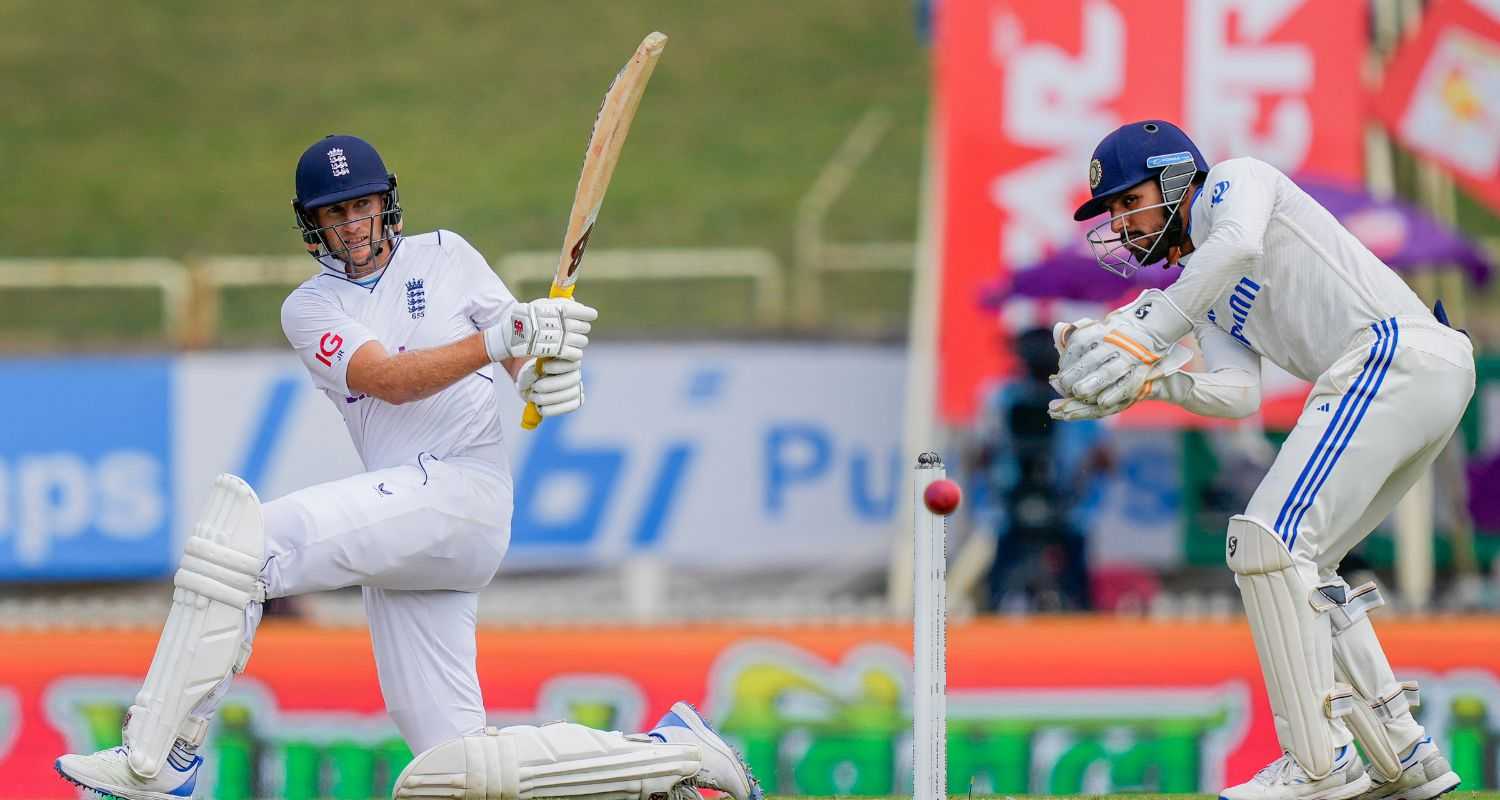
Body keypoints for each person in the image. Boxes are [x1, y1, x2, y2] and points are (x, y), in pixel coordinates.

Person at [55, 135, 760, 800]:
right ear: (312, 226)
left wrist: (544, 371)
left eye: (362, 205)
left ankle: (162, 758)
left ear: (385, 202)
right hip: (413, 538)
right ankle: (677, 752)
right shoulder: (309, 308)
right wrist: (499, 341)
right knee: (454, 769)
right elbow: (388, 378)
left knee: (245, 541)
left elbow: (519, 353)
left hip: (463, 493)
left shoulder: (447, 254)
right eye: (336, 212)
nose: (354, 224)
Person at [1050, 120, 1472, 800]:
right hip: (1418, 374)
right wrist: (1155, 380)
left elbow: (1239, 244)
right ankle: (1406, 755)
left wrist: (1148, 334)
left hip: (1395, 354)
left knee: (1264, 542)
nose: (1122, 226)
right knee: (1306, 562)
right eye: (1113, 214)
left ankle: (1319, 764)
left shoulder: (1236, 183)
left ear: (1175, 177)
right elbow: (1237, 394)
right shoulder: (1205, 287)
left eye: (1130, 203)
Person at [972, 328, 1109, 611]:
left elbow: (980, 454)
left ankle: (998, 605)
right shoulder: (1003, 398)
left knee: (1014, 567)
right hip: (1027, 503)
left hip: (1051, 504)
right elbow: (1102, 458)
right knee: (1069, 572)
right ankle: (1077, 608)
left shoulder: (1002, 397)